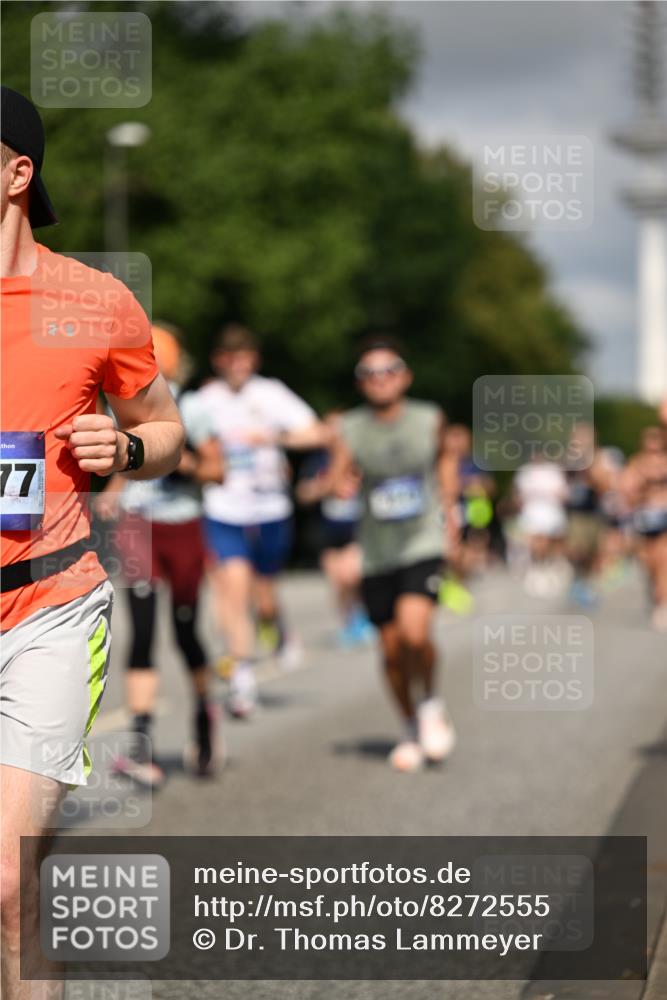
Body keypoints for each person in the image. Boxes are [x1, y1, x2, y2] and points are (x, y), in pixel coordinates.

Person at [0, 88, 184, 998]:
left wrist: (129, 446)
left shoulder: (92, 300)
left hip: (48, 604)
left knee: (7, 881)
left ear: (16, 172)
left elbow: (167, 429)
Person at [94, 324, 224, 783]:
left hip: (182, 526)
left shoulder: (195, 407)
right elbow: (125, 462)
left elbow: (216, 470)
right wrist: (112, 490)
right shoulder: (121, 408)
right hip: (137, 527)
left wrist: (175, 456)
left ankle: (205, 719)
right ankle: (141, 744)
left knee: (185, 633)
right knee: (142, 631)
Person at [328, 336, 457, 773]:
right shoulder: (351, 426)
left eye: (389, 370)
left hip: (422, 540)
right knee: (389, 649)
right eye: (369, 373)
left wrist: (451, 517)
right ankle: (409, 724)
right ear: (361, 383)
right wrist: (335, 486)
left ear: (405, 376)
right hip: (377, 548)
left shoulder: (429, 419)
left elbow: (444, 464)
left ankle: (432, 704)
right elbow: (338, 475)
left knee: (415, 634)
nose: (380, 380)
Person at [196, 324, 329, 717]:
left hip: (270, 507)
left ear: (254, 360)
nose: (238, 366)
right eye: (230, 358)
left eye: (245, 358)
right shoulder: (206, 399)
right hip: (224, 507)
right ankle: (243, 683)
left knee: (264, 595)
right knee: (233, 591)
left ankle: (279, 626)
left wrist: (273, 438)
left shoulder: (270, 394)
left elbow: (318, 433)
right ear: (219, 361)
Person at [295, 412, 373, 647]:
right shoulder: (316, 462)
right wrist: (323, 488)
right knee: (338, 581)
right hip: (327, 530)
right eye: (329, 429)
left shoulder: (360, 458)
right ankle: (348, 622)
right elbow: (302, 494)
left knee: (353, 574)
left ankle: (364, 616)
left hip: (357, 527)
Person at [622, 424, 667, 630]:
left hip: (664, 516)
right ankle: (655, 592)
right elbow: (627, 491)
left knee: (662, 561)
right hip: (644, 518)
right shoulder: (637, 464)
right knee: (647, 562)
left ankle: (662, 604)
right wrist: (643, 488)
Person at [513, 451, 570, 598]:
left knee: (551, 545)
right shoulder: (524, 472)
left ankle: (551, 568)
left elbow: (563, 494)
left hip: (551, 514)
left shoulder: (554, 471)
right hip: (532, 515)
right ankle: (538, 568)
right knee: (537, 543)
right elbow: (517, 496)